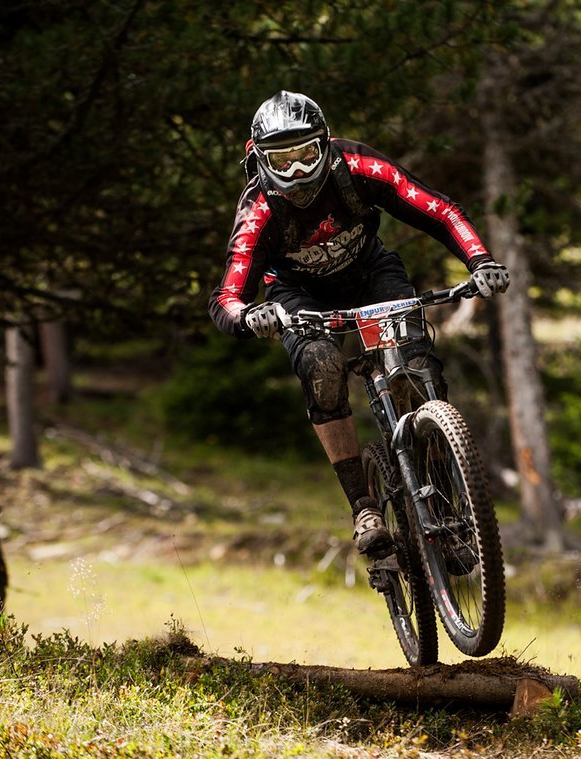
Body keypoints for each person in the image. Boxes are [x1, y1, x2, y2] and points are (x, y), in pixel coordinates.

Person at [208, 91, 509, 557]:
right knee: (323, 367)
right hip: (299, 299)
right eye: (281, 160)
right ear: (258, 160)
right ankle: (364, 505)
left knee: (415, 359)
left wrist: (480, 260)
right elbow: (226, 297)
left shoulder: (360, 166)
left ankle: (444, 494)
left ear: (325, 144)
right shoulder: (257, 212)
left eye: (306, 154)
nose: (296, 171)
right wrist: (253, 316)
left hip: (371, 275)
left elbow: (438, 210)